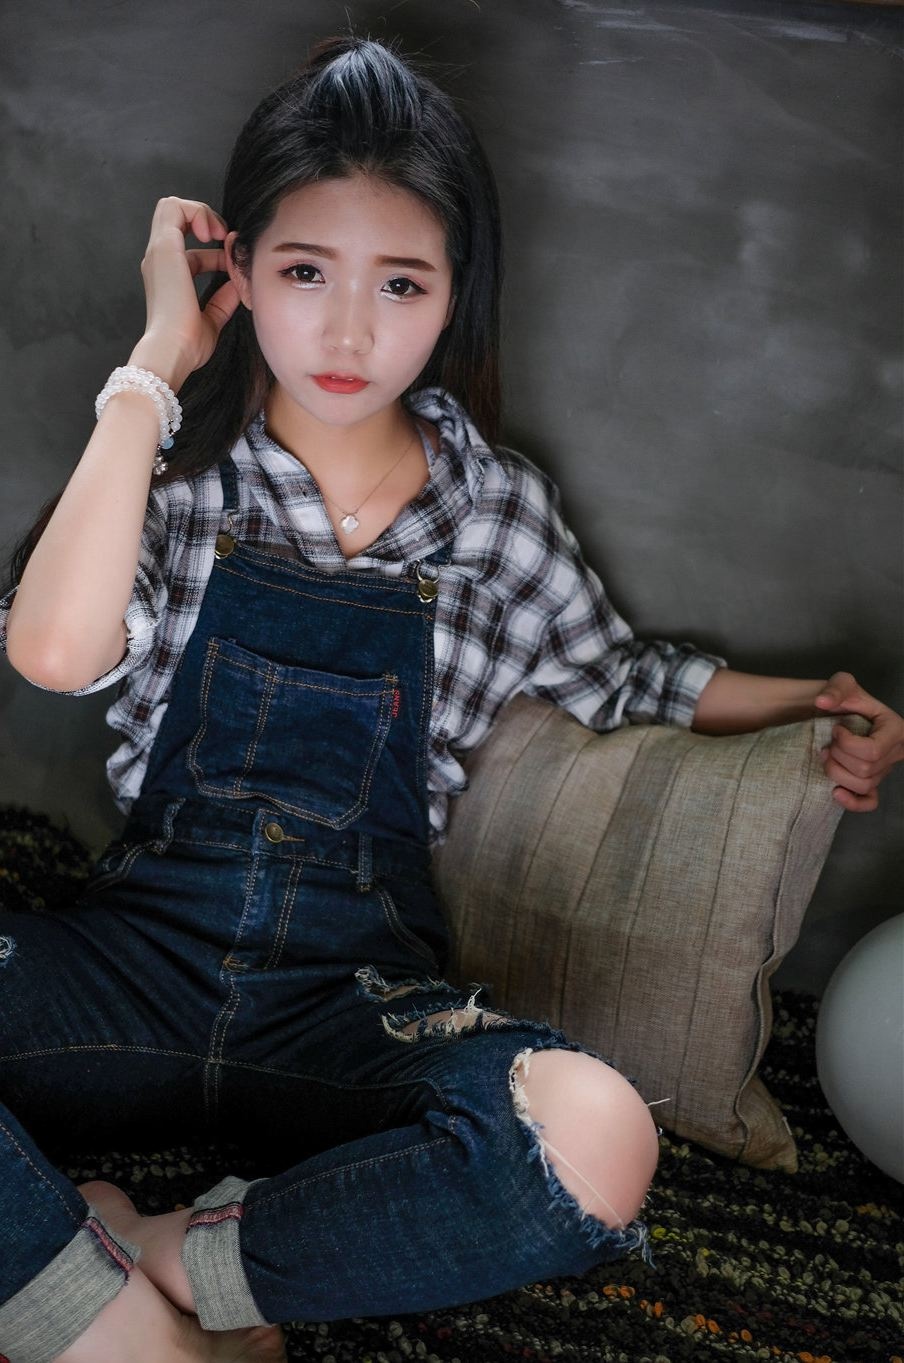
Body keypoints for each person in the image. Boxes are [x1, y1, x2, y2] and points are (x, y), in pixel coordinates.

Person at [0, 35, 901, 1363]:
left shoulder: (494, 514)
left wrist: (811, 705)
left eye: (401, 283)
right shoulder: (174, 481)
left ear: (453, 295)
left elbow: (620, 679)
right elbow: (53, 652)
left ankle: (172, 1256)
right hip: (129, 971)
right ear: (235, 269)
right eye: (305, 271)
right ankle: (136, 1337)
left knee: (596, 1136)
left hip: (345, 1008)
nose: (349, 331)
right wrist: (155, 362)